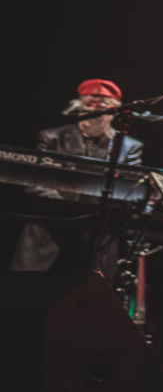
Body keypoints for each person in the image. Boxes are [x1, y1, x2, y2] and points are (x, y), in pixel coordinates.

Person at [9, 79, 143, 273]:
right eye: (88, 104)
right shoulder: (51, 137)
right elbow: (36, 184)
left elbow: (130, 191)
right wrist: (68, 212)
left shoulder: (129, 147)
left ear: (114, 111)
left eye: (101, 106)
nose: (92, 111)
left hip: (96, 239)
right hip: (48, 230)